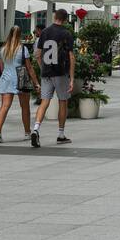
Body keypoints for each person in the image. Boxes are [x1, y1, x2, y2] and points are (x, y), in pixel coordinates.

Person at [31, 8, 75, 146]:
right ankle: (61, 134)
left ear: (54, 16)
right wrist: (72, 78)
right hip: (60, 72)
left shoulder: (44, 32)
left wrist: (42, 67)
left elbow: (37, 54)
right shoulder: (66, 33)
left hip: (46, 72)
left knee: (44, 101)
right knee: (63, 101)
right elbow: (71, 57)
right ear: (66, 19)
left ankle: (36, 128)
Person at [0, 25, 39, 142]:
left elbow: (1, 68)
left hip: (7, 79)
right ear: (20, 35)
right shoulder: (23, 49)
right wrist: (36, 83)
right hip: (21, 79)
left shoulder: (3, 49)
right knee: (25, 107)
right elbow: (29, 67)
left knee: (4, 106)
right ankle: (27, 133)